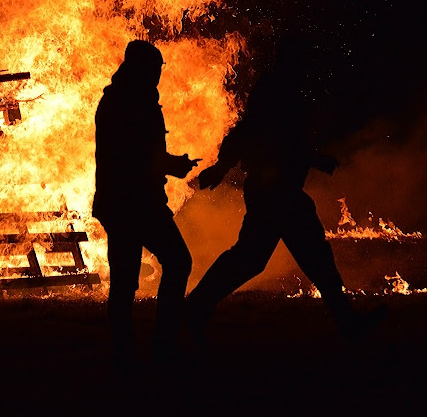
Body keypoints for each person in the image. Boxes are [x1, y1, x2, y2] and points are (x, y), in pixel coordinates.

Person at [186, 33, 385, 342]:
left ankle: (196, 307)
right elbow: (263, 138)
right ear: (293, 60)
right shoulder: (277, 90)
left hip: (279, 190)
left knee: (279, 258)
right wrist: (314, 160)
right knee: (265, 258)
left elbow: (256, 135)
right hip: (275, 191)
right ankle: (195, 306)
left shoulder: (280, 89)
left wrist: (223, 168)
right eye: (303, 60)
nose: (307, 66)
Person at [93, 40, 200, 361]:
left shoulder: (124, 99)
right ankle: (159, 345)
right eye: (154, 69)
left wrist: (168, 163)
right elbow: (135, 156)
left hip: (126, 201)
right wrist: (173, 165)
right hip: (133, 202)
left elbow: (142, 153)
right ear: (140, 68)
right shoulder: (129, 102)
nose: (157, 76)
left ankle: (132, 350)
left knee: (127, 280)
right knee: (173, 263)